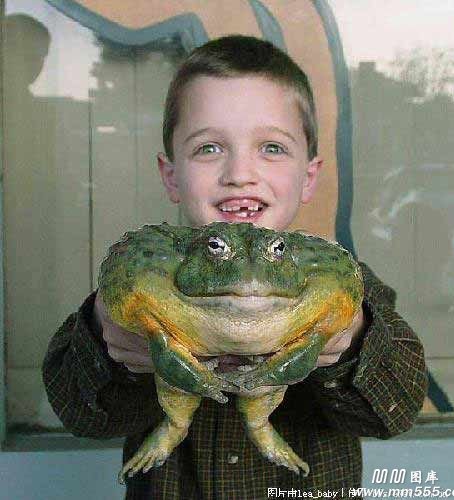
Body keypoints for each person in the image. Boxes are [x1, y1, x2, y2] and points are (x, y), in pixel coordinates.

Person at [43, 35, 428, 500]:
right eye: (209, 148)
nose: (240, 173)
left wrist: (351, 341)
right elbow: (81, 415)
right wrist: (110, 341)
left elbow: (394, 413)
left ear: (309, 177)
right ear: (171, 176)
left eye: (272, 148)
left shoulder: (343, 283)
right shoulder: (145, 279)